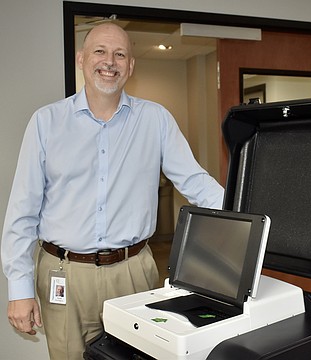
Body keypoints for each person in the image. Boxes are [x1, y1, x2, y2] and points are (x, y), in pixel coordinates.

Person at [1, 23, 224, 359]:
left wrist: (250, 217)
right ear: (81, 59)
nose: (110, 61)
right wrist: (19, 288)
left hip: (133, 272)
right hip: (63, 273)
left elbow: (196, 182)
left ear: (131, 66)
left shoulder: (155, 120)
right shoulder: (46, 122)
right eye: (100, 52)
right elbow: (23, 211)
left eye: (120, 54)